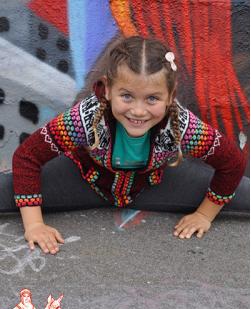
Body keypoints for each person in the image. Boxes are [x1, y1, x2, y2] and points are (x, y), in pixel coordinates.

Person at [0, 36, 249, 254]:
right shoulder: (87, 117)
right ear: (108, 90)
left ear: (170, 97)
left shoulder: (180, 123)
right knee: (9, 188)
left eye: (152, 98)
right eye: (127, 96)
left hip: (154, 185)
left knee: (244, 193)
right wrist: (34, 224)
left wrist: (205, 214)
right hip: (83, 180)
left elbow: (231, 163)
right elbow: (27, 157)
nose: (138, 111)